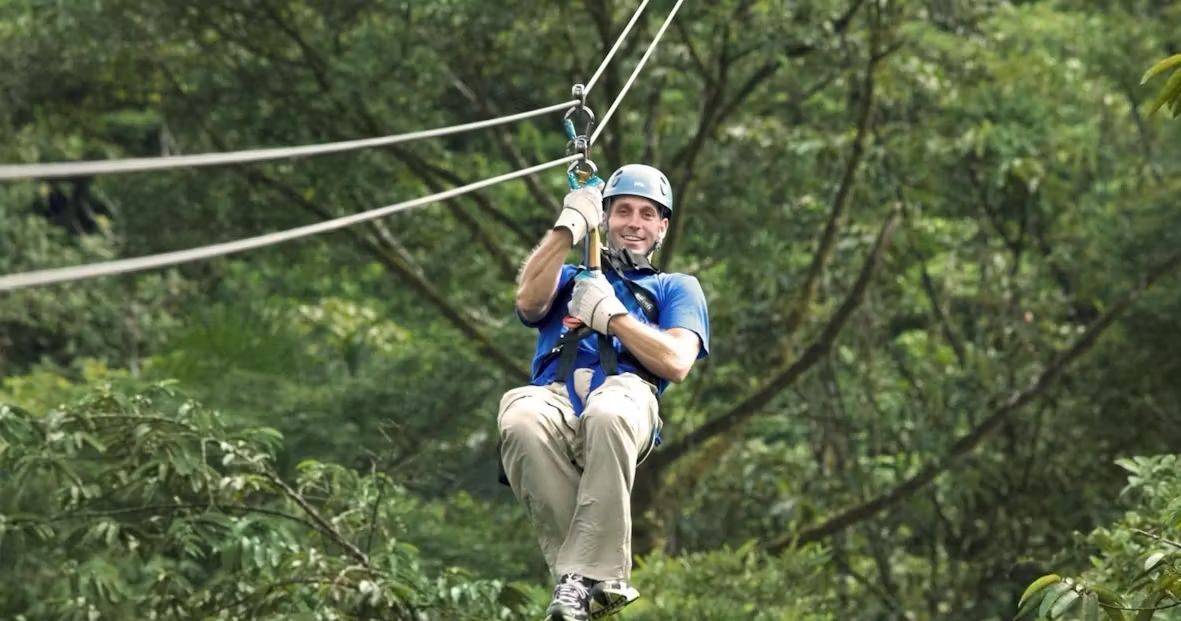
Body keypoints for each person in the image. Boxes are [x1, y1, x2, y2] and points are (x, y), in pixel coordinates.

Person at [497, 164, 710, 621]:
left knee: (608, 412)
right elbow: (528, 302)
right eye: (623, 211)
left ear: (662, 227)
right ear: (606, 220)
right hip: (555, 394)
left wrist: (611, 317)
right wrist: (567, 226)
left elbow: (676, 362)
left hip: (627, 394)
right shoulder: (570, 277)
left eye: (647, 214)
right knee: (519, 415)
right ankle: (583, 583)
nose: (635, 222)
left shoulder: (675, 288)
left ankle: (584, 575)